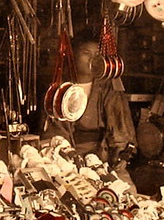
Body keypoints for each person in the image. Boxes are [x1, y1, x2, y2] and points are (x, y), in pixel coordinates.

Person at [42, 36, 137, 184]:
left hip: (103, 156)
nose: (92, 59)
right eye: (86, 53)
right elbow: (53, 133)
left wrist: (121, 157)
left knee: (124, 190)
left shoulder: (108, 88)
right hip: (67, 158)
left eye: (97, 54)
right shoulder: (60, 89)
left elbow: (121, 127)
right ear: (74, 55)